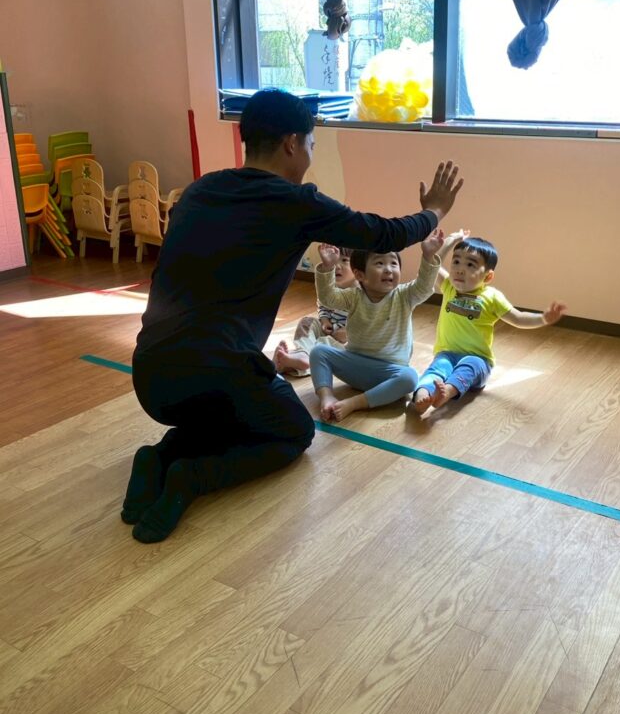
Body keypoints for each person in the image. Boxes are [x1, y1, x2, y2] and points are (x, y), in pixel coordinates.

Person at [123, 88, 463, 543]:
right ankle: (192, 475)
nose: (310, 154)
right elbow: (383, 233)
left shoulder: (200, 190)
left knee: (230, 409)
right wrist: (434, 211)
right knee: (293, 432)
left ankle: (160, 456)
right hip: (215, 374)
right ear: (291, 143)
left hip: (150, 377)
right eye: (311, 144)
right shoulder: (294, 202)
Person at [412, 235, 566, 413]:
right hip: (447, 354)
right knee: (437, 369)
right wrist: (450, 242)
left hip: (479, 360)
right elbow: (433, 264)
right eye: (456, 262)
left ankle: (446, 393)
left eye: (470, 265)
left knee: (469, 365)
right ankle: (421, 397)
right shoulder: (448, 286)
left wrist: (543, 318)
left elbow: (518, 318)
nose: (460, 270)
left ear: (488, 276)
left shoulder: (492, 297)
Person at [309, 229, 446, 422]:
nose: (388, 269)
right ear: (359, 274)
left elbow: (424, 287)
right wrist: (327, 267)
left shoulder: (404, 296)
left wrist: (428, 256)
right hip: (355, 365)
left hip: (388, 372)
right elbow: (328, 298)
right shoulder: (354, 296)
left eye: (393, 263)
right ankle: (326, 397)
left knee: (409, 378)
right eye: (380, 263)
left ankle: (355, 403)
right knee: (318, 352)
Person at [272, 248, 355, 377]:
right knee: (307, 322)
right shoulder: (329, 287)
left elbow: (367, 320)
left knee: (322, 346)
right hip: (329, 329)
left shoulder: (361, 291)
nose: (337, 266)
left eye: (344, 260)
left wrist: (349, 332)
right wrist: (324, 320)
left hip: (345, 340)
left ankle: (290, 362)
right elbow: (323, 305)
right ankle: (301, 354)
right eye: (334, 260)